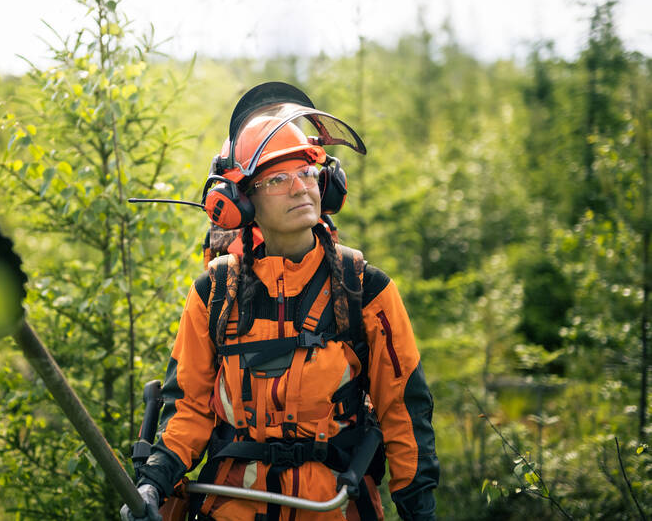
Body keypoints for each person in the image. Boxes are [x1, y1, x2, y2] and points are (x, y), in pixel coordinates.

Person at [122, 82, 438, 521]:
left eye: (307, 173)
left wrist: (419, 511)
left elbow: (403, 413)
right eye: (277, 178)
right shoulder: (213, 295)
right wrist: (153, 482)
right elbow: (189, 409)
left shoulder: (365, 290)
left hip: (331, 508)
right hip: (229, 506)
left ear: (326, 185)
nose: (299, 188)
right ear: (241, 201)